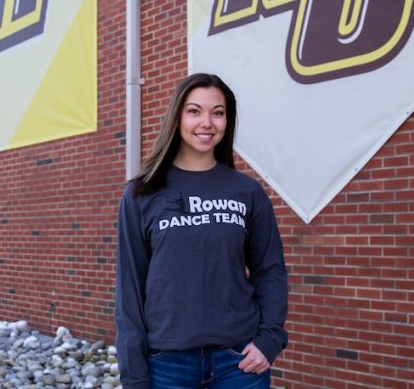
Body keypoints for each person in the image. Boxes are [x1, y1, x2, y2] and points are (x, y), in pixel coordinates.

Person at [114, 73, 288, 389]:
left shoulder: (247, 192)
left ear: (227, 120)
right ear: (177, 117)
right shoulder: (141, 195)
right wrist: (134, 375)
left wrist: (270, 340)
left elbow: (270, 270)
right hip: (166, 364)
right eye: (195, 111)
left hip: (238, 363)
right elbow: (129, 290)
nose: (206, 122)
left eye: (217, 113)